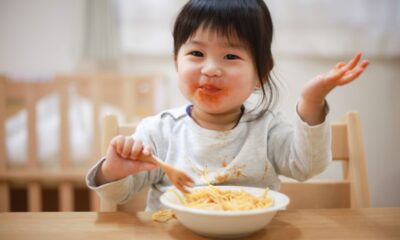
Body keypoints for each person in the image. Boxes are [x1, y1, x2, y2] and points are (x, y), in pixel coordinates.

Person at [86, 0, 369, 211]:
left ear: (261, 74)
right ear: (176, 61)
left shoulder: (268, 129)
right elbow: (116, 197)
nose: (210, 69)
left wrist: (312, 101)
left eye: (230, 56)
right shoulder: (158, 132)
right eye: (196, 53)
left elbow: (307, 166)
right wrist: (113, 171)